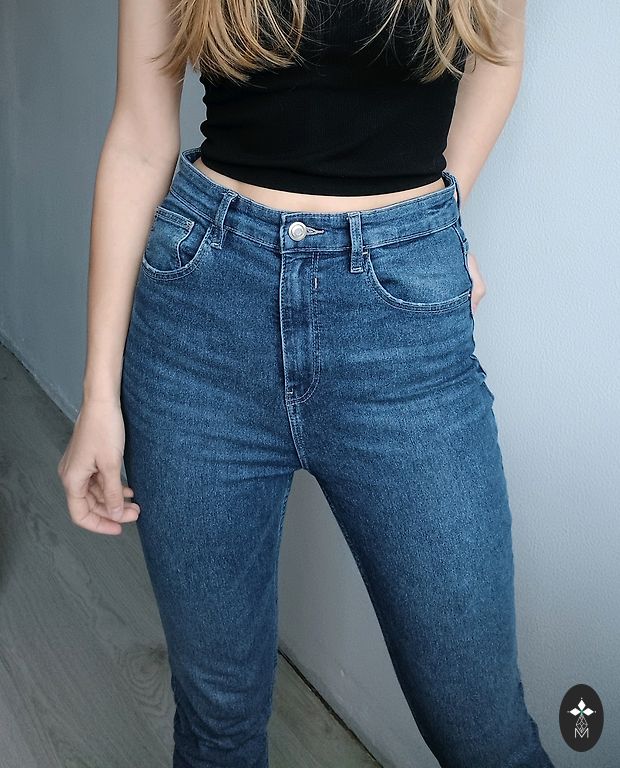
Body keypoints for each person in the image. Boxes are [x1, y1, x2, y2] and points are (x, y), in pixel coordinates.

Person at [58, 0, 555, 766]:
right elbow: (138, 137)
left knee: (486, 734)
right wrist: (98, 394)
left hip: (402, 335)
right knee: (217, 730)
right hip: (201, 325)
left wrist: (434, 224)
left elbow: (500, 51)